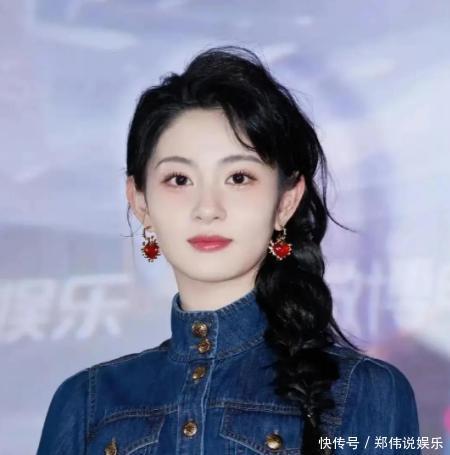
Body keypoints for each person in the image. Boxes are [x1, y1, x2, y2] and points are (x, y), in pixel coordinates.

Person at [37, 45, 421, 454]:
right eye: (179, 179)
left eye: (238, 178)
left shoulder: (365, 392)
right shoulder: (87, 403)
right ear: (140, 201)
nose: (207, 209)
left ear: (286, 201)